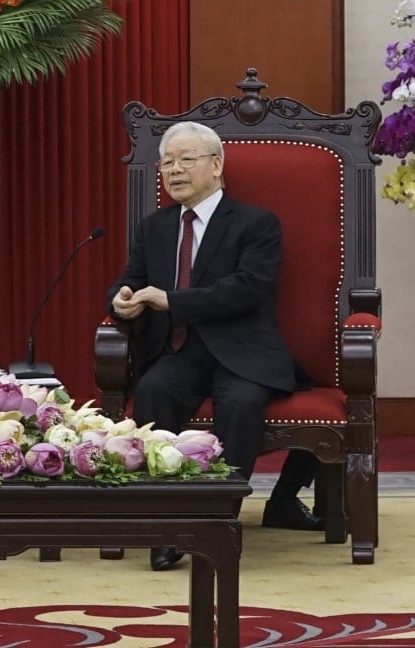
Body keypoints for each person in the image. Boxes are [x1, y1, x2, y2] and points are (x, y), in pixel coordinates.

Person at [106, 120, 322, 572]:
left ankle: (219, 521)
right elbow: (132, 278)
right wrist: (122, 300)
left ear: (216, 165)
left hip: (243, 351)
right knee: (153, 391)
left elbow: (249, 288)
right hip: (181, 350)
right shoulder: (155, 227)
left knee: (241, 403)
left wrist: (173, 300)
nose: (175, 171)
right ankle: (168, 525)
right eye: (167, 163)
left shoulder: (256, 223)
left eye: (187, 160)